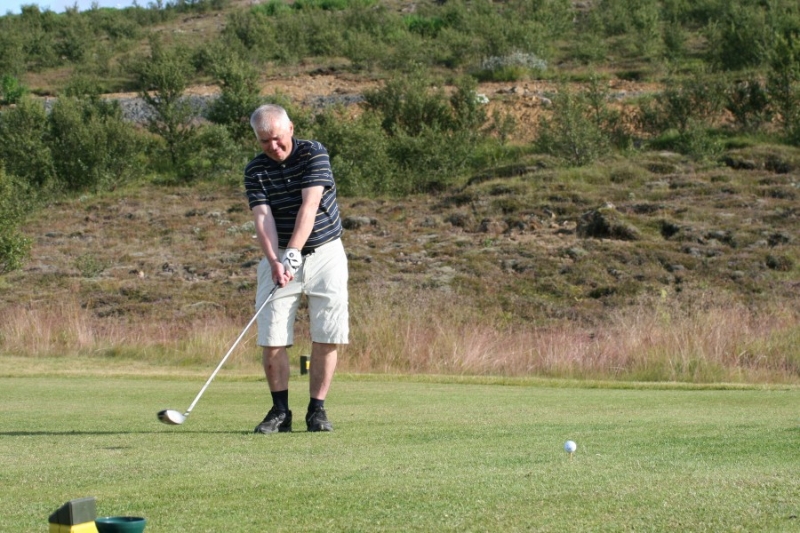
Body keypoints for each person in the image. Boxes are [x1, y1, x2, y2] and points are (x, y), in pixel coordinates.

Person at [244, 104, 349, 433]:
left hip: (325, 252)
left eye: (277, 138)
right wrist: (276, 260)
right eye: (264, 141)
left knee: (327, 333)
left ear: (290, 129)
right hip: (278, 257)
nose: (273, 146)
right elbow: (263, 218)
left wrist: (293, 251)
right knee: (272, 336)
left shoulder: (313, 152)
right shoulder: (255, 170)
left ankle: (317, 411)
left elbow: (310, 204)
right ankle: (280, 412)